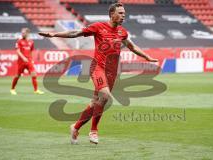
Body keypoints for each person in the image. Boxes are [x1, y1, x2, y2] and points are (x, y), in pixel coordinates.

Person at [39, 3, 158, 144]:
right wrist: (55, 34)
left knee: (96, 103)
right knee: (105, 95)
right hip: (97, 68)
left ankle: (75, 127)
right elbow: (75, 33)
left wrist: (146, 57)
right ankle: (93, 131)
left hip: (112, 72)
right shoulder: (98, 27)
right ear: (111, 14)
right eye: (120, 13)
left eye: (124, 13)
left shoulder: (122, 32)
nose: (123, 15)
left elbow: (131, 46)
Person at [10, 28, 44, 95]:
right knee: (18, 75)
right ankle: (12, 89)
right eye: (22, 33)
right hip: (21, 62)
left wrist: (31, 59)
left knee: (34, 74)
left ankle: (36, 90)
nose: (22, 34)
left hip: (29, 61)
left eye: (23, 33)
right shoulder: (19, 41)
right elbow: (18, 51)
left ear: (27, 33)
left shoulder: (31, 42)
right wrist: (23, 58)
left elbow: (31, 51)